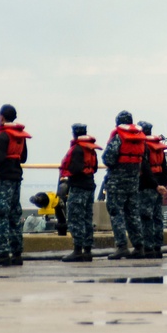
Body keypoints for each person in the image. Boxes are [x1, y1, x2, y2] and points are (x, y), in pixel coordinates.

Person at [0, 104, 31, 267]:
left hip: (3, 180)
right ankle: (17, 253)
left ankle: (2, 253)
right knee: (14, 216)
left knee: (0, 216)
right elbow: (23, 158)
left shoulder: (2, 136)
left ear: (2, 117)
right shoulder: (19, 136)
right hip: (16, 179)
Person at [102, 110, 146, 259]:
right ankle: (139, 247)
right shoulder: (140, 138)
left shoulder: (118, 137)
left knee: (116, 214)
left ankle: (122, 247)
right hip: (133, 183)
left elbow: (108, 158)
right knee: (133, 214)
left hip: (117, 183)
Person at [58, 123, 101, 263]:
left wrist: (67, 175)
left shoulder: (76, 149)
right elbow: (94, 168)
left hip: (78, 187)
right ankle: (87, 251)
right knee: (87, 218)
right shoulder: (91, 149)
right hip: (90, 186)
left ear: (74, 133)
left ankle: (77, 251)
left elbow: (75, 169)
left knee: (75, 218)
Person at [138, 121, 167, 258]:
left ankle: (148, 247)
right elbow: (165, 170)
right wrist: (162, 186)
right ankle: (158, 246)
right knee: (158, 217)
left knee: (146, 217)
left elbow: (145, 169)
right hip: (159, 188)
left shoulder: (143, 147)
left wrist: (154, 185)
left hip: (147, 187)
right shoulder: (159, 147)